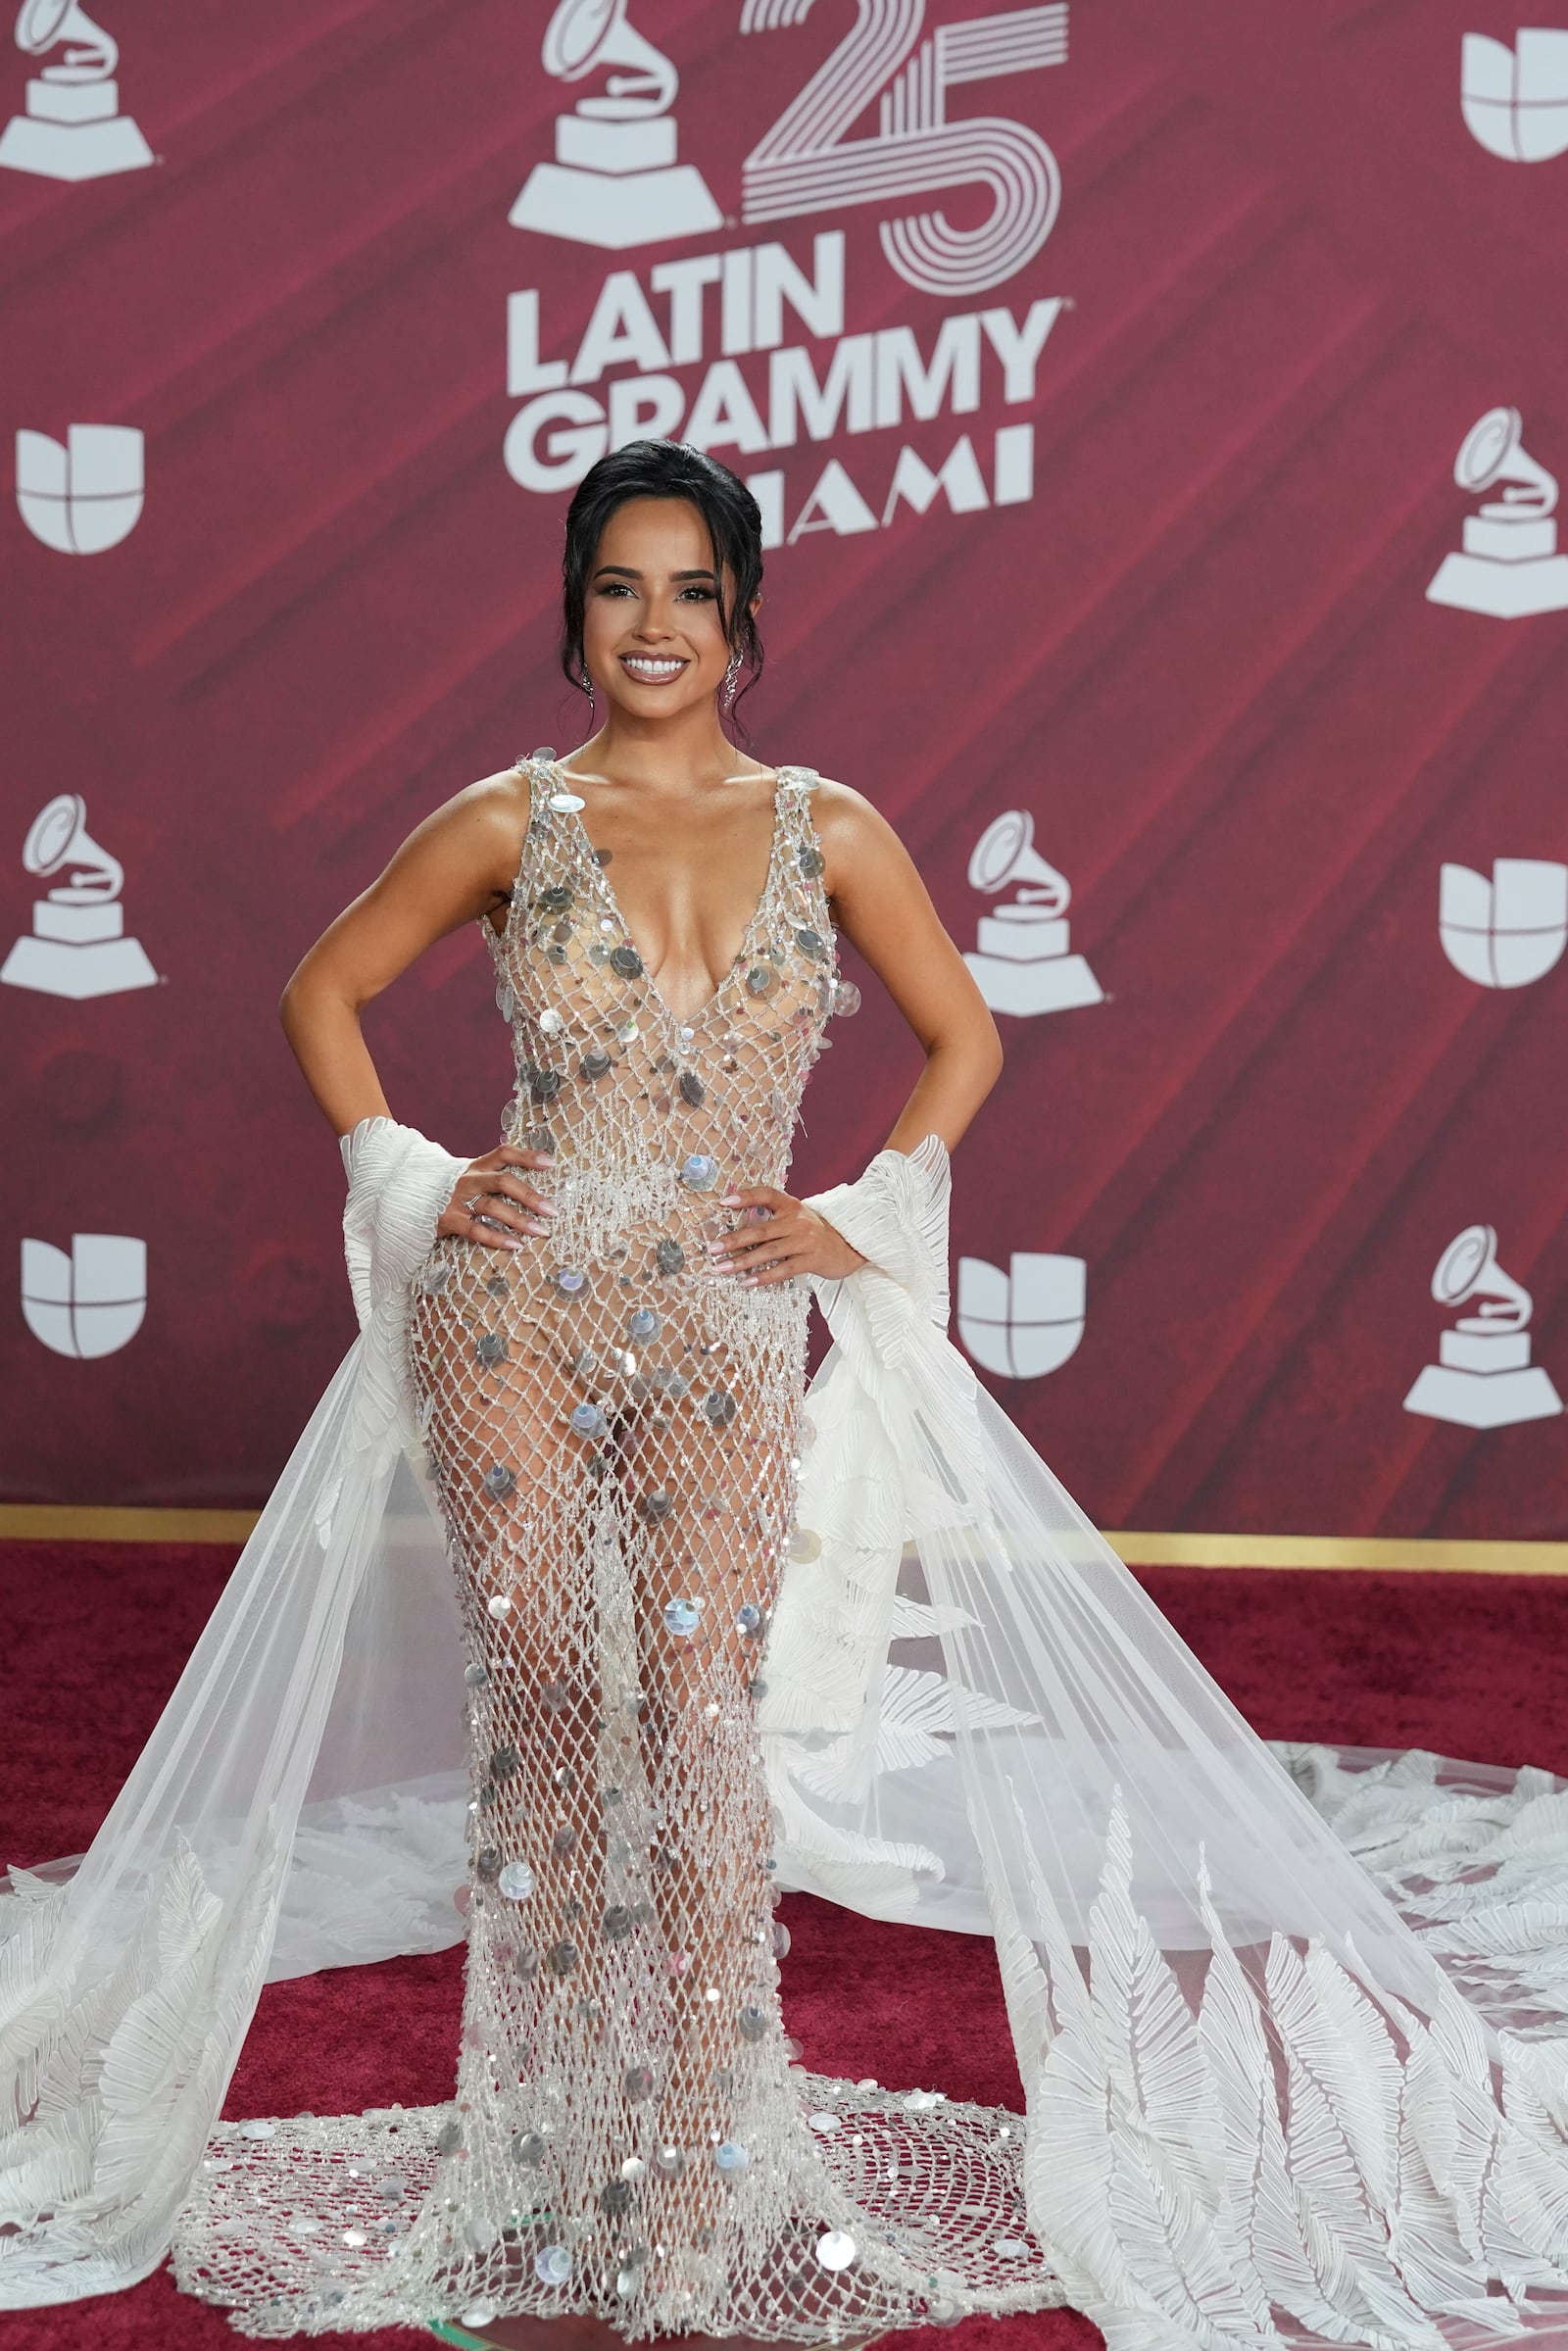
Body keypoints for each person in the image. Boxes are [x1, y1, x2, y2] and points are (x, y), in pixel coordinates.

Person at [5, 440, 1568, 2351]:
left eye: (686, 590)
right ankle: (544, 2150)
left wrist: (859, 1214)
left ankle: (701, 2153)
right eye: (614, 588)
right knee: (555, 1707)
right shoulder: (507, 818)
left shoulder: (829, 828)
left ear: (740, 616)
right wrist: (410, 1175)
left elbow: (963, 1035)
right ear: (572, 612)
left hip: (730, 1323)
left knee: (697, 1718)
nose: (651, 626)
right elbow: (318, 994)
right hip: (511, 1315)